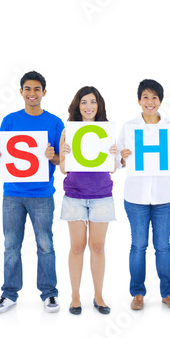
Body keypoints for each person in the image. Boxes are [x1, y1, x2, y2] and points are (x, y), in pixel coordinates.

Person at [0, 71, 64, 314]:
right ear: (21, 92)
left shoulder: (55, 123)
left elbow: (61, 161)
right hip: (12, 193)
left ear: (44, 92)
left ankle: (49, 294)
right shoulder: (10, 120)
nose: (32, 94)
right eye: (27, 89)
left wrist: (50, 156)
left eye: (36, 89)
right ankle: (9, 294)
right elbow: (1, 152)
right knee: (11, 245)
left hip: (42, 193)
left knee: (45, 244)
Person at [117, 79, 170, 311]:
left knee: (163, 246)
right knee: (138, 245)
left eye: (154, 98)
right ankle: (137, 293)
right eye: (145, 97)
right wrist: (123, 157)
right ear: (139, 101)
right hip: (135, 197)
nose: (150, 102)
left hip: (164, 196)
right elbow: (117, 160)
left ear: (160, 101)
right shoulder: (129, 127)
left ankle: (167, 293)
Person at [58, 86, 116, 315]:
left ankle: (99, 296)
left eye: (93, 102)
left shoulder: (106, 131)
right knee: (77, 247)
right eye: (84, 102)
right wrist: (65, 152)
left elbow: (112, 168)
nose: (89, 106)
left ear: (98, 105)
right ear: (78, 106)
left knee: (98, 248)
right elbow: (63, 169)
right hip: (75, 195)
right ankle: (74, 296)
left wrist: (113, 153)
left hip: (101, 195)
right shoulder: (68, 132)